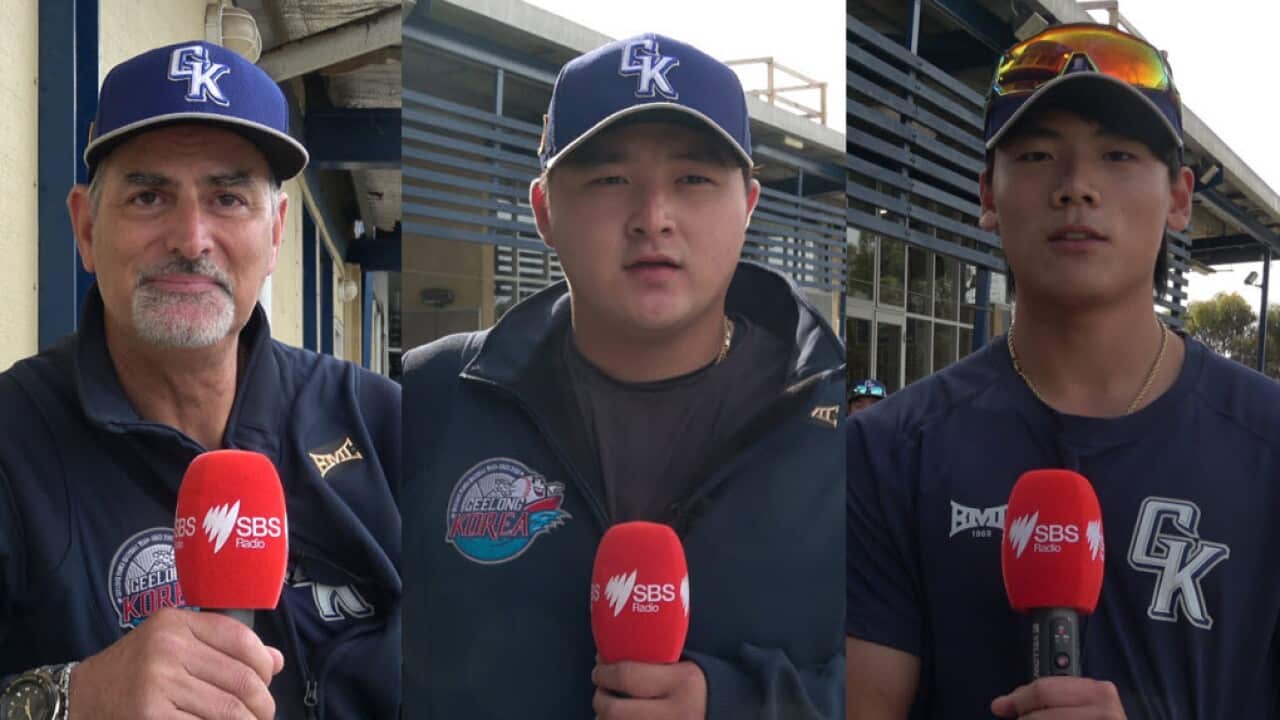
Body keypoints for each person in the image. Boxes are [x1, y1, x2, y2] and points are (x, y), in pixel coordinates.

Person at [402, 32, 845, 719]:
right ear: (545, 210)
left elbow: (906, 675)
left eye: (693, 179)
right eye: (610, 180)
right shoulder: (428, 400)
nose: (653, 219)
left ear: (749, 206)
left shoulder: (846, 427)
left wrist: (733, 704)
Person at [846, 22, 1280, 719]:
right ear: (988, 195)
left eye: (1117, 155)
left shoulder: (1268, 445)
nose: (1077, 187)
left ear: (1179, 199)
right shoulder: (888, 453)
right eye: (1041, 154)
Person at [0, 41, 400, 720]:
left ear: (276, 232)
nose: (191, 237)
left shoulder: (384, 422)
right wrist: (73, 698)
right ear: (87, 228)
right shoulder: (12, 443)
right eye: (150, 195)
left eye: (228, 197)